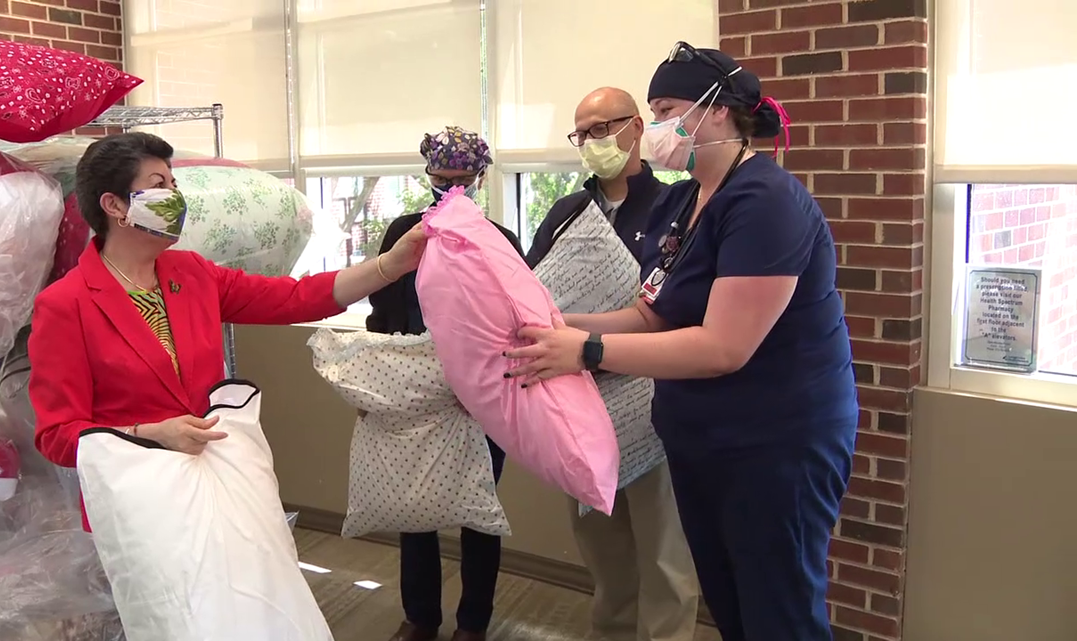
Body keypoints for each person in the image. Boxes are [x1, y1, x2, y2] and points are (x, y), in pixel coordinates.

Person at [503, 43, 858, 641]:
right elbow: (650, 314)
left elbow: (724, 347)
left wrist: (587, 352)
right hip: (699, 437)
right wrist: (564, 327)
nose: (660, 128)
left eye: (667, 109)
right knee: (729, 602)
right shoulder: (682, 201)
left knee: (780, 609)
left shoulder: (766, 202)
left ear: (718, 110)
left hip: (774, 443)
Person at [28, 132, 426, 532]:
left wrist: (388, 266)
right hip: (136, 503)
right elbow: (58, 436)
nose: (175, 197)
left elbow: (296, 298)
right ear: (114, 204)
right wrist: (148, 434)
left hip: (214, 483)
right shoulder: (66, 304)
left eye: (174, 184)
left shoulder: (193, 273)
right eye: (158, 186)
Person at [524, 87, 700, 641]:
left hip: (654, 409)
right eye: (582, 133)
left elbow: (687, 309)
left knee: (667, 561)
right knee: (606, 560)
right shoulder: (566, 213)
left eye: (604, 128)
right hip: (581, 408)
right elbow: (530, 297)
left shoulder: (679, 206)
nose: (593, 142)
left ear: (636, 127)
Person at [366, 126, 523, 641]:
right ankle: (421, 617)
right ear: (427, 175)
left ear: (480, 177)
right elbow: (382, 313)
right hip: (413, 392)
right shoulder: (403, 234)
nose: (451, 187)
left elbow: (517, 322)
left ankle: (473, 623)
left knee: (479, 511)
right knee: (416, 508)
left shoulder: (503, 241)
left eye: (462, 179)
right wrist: (377, 390)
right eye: (441, 178)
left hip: (482, 396)